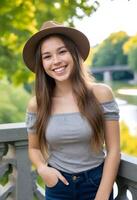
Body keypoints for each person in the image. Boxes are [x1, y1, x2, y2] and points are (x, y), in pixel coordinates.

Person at [23, 21, 120, 200]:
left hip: (96, 184)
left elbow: (114, 150)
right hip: (58, 186)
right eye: (47, 56)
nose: (56, 61)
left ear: (74, 54)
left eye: (62, 51)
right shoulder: (37, 104)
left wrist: (103, 194)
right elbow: (34, 148)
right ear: (42, 64)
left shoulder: (101, 94)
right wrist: (43, 169)